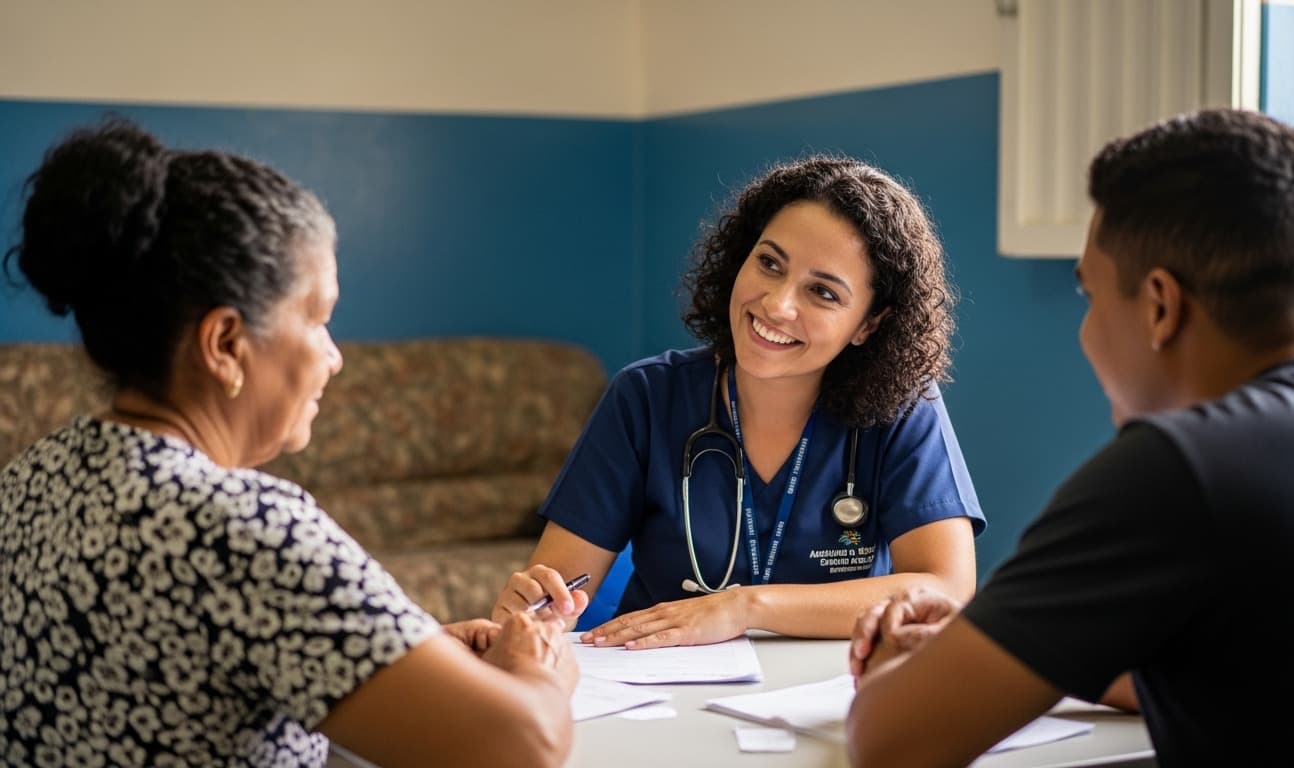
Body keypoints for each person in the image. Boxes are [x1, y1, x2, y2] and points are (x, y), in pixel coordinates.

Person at [0, 118, 585, 768]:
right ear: (225, 344)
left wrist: (398, 657)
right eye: (318, 318)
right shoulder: (250, 528)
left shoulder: (28, 481)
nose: (333, 357)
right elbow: (523, 746)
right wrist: (541, 670)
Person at [846, 108, 1294, 766]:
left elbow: (891, 744)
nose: (1086, 331)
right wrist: (1016, 643)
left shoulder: (1179, 469)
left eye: (1091, 295)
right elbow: (1260, 676)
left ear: (1161, 307)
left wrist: (902, 668)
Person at [493, 156, 985, 649]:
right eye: (769, 263)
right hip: (654, 684)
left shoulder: (902, 409)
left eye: (823, 292)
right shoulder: (645, 396)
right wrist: (533, 610)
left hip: (824, 692)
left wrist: (745, 606)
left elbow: (946, 588)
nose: (776, 304)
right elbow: (556, 593)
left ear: (868, 324)